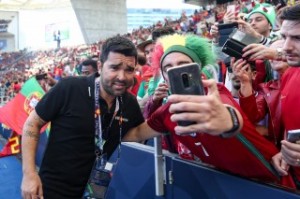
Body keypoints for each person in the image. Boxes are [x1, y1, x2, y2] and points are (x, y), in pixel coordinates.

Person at [124, 33, 296, 189]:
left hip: (272, 184)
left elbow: (228, 113)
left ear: (199, 69)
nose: (175, 71)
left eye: (183, 65)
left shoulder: (217, 95)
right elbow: (136, 133)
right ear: (164, 76)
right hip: (225, 186)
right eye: (168, 67)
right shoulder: (168, 109)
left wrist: (228, 122)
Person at [21, 36, 145, 198]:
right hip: (53, 191)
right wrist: (29, 174)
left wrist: (162, 122)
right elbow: (32, 124)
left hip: (98, 192)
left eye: (129, 70)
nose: (122, 76)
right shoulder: (69, 88)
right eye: (114, 68)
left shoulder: (129, 102)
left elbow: (133, 134)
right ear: (100, 66)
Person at [271, 4, 300, 188]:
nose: (286, 47)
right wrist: (285, 151)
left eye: (297, 38)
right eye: (283, 37)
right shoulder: (289, 74)